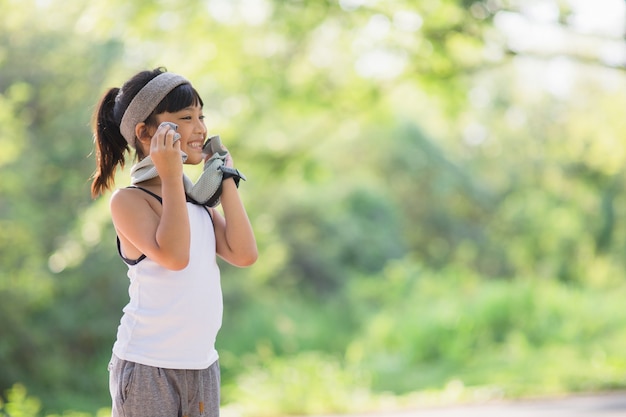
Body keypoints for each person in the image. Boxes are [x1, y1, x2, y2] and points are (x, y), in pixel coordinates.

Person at [90, 67, 258, 417]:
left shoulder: (195, 203)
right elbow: (175, 255)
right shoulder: (129, 201)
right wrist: (169, 175)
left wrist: (224, 174)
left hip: (201, 366)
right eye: (186, 117)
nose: (200, 128)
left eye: (201, 116)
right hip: (148, 367)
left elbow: (244, 254)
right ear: (146, 132)